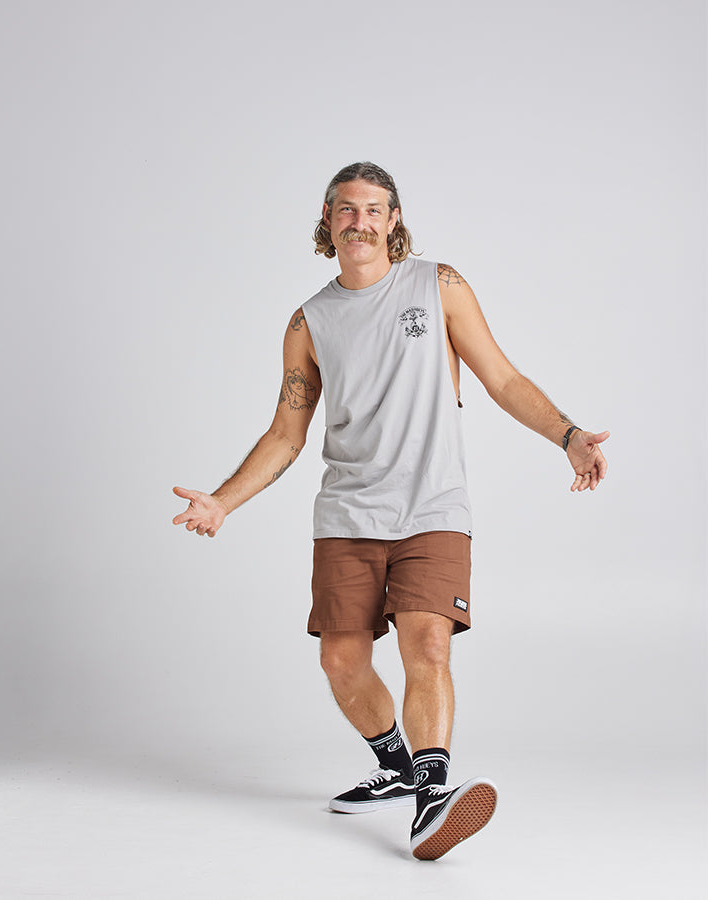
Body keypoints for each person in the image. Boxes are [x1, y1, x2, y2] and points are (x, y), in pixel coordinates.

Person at [172, 161, 609, 861]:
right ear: (328, 218)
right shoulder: (308, 322)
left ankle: (432, 797)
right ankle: (398, 767)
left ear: (394, 219)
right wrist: (224, 501)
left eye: (374, 210)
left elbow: (501, 377)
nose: (361, 222)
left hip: (433, 505)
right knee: (341, 661)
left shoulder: (438, 286)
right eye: (347, 209)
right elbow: (287, 433)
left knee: (427, 644)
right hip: (347, 514)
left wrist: (568, 435)